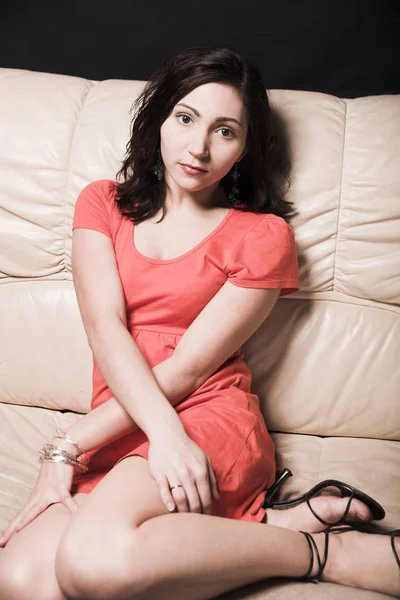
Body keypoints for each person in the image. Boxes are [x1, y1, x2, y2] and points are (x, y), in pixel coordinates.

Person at [0, 44, 398, 600]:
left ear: (244, 149)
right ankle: (273, 523)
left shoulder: (261, 237)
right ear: (158, 119)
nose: (199, 146)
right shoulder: (101, 203)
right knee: (21, 582)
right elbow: (105, 327)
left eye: (225, 130)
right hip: (120, 422)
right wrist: (78, 446)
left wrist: (136, 439)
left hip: (204, 419)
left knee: (91, 566)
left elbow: (188, 368)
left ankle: (322, 551)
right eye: (185, 118)